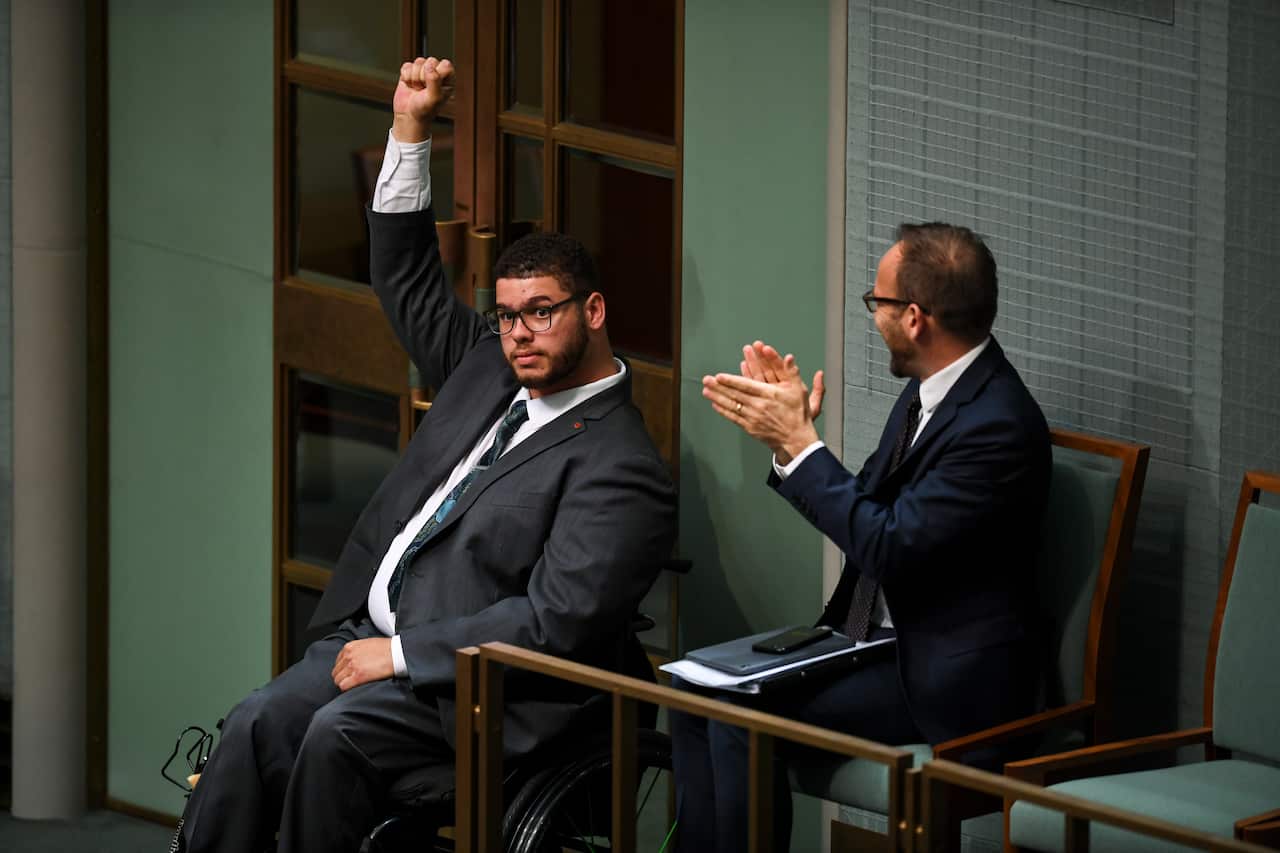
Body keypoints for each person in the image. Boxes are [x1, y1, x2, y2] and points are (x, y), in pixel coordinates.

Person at [176, 57, 677, 853]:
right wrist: (411, 125)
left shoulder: (621, 467)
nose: (519, 332)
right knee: (254, 724)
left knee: (331, 739)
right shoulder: (487, 362)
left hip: (472, 693)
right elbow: (405, 274)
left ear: (593, 309)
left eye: (541, 314)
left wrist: (403, 654)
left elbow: (553, 624)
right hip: (366, 642)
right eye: (509, 315)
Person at [671, 223, 1051, 852]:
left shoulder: (997, 426)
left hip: (947, 682)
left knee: (740, 713)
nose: (871, 315)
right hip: (881, 645)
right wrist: (790, 444)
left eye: (877, 304)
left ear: (915, 319)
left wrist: (801, 447)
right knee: (693, 691)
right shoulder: (931, 391)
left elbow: (887, 548)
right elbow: (869, 512)